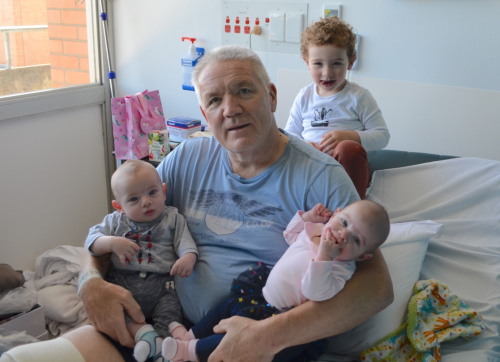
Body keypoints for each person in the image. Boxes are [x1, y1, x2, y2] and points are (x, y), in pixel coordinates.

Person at [0, 45, 393, 362]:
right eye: (215, 100)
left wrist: (266, 338)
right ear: (204, 113)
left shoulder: (320, 176)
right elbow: (116, 225)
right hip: (158, 325)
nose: (231, 109)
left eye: (244, 90)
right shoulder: (188, 159)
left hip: (249, 336)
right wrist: (90, 282)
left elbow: (376, 287)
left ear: (271, 97)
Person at [161, 200, 390, 362]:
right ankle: (190, 334)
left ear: (363, 257)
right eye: (344, 222)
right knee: (225, 307)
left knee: (236, 339)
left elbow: (316, 293)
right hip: (262, 292)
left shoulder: (341, 267)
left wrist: (325, 257)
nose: (343, 235)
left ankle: (187, 351)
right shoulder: (316, 231)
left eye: (356, 239)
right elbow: (290, 236)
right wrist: (307, 218)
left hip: (278, 315)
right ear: (336, 212)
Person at [85, 160, 198, 362]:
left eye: (152, 193)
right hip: (123, 281)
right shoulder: (114, 222)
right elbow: (91, 242)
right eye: (134, 199)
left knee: (170, 311)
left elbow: (185, 242)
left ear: (163, 191)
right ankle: (144, 334)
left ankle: (164, 347)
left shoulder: (172, 218)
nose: (146, 202)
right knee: (116, 313)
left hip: (162, 284)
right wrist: (112, 243)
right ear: (119, 206)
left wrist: (188, 257)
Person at [284, 16, 390, 199]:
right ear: (307, 63)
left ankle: (351, 206)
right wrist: (304, 145)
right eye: (318, 64)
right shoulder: (304, 96)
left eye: (337, 63)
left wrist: (349, 136)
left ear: (350, 62)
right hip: (313, 169)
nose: (327, 72)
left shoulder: (359, 96)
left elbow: (382, 136)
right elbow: (288, 135)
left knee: (347, 148)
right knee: (293, 153)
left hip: (347, 170)